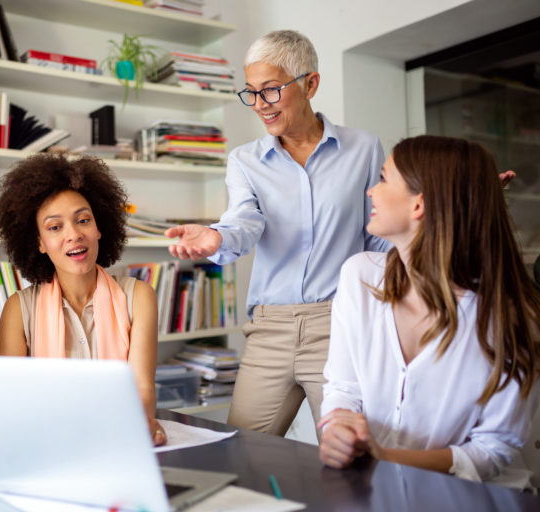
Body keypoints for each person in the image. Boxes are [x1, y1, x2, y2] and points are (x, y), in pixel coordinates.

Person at [165, 30, 389, 436]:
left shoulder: (364, 148)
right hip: (270, 330)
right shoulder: (245, 161)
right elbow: (244, 221)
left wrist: (448, 208)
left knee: (353, 458)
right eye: (250, 93)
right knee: (242, 451)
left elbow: (379, 236)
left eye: (270, 91)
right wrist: (218, 238)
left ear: (310, 84)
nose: (259, 105)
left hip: (338, 325)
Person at [318, 135, 540, 488]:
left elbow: (494, 449)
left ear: (418, 205)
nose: (370, 191)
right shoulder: (358, 276)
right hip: (381, 489)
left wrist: (386, 456)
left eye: (383, 178)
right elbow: (342, 388)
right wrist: (339, 429)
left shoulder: (510, 316)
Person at [0, 154, 165, 446]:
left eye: (83, 220)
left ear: (99, 228)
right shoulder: (18, 309)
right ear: (39, 243)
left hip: (119, 444)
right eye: (55, 227)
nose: (74, 235)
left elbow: (143, 390)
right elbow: (12, 402)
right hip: (49, 447)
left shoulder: (139, 297)